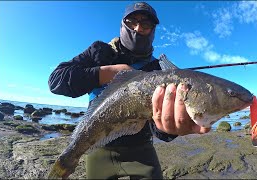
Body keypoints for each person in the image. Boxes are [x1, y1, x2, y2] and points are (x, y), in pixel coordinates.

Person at [48, 2, 210, 179]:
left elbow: (158, 131)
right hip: (98, 149)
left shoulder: (159, 70)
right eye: (132, 22)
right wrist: (106, 73)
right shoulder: (99, 52)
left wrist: (169, 128)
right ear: (122, 24)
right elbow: (56, 81)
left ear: (153, 30)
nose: (138, 28)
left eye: (146, 24)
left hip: (142, 150)